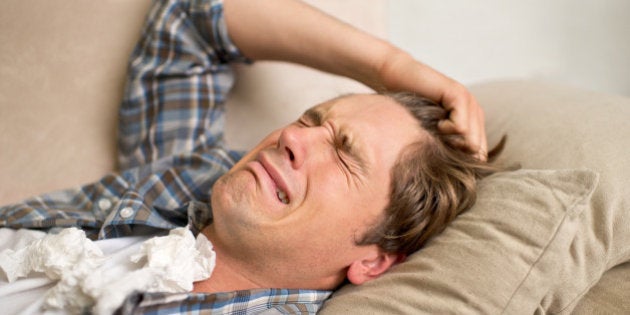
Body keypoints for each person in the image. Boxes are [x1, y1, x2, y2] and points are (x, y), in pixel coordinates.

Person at [0, 0, 501, 313]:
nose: (292, 137)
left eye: (346, 155)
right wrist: (393, 67)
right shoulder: (192, 175)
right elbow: (194, 19)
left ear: (373, 260)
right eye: (310, 119)